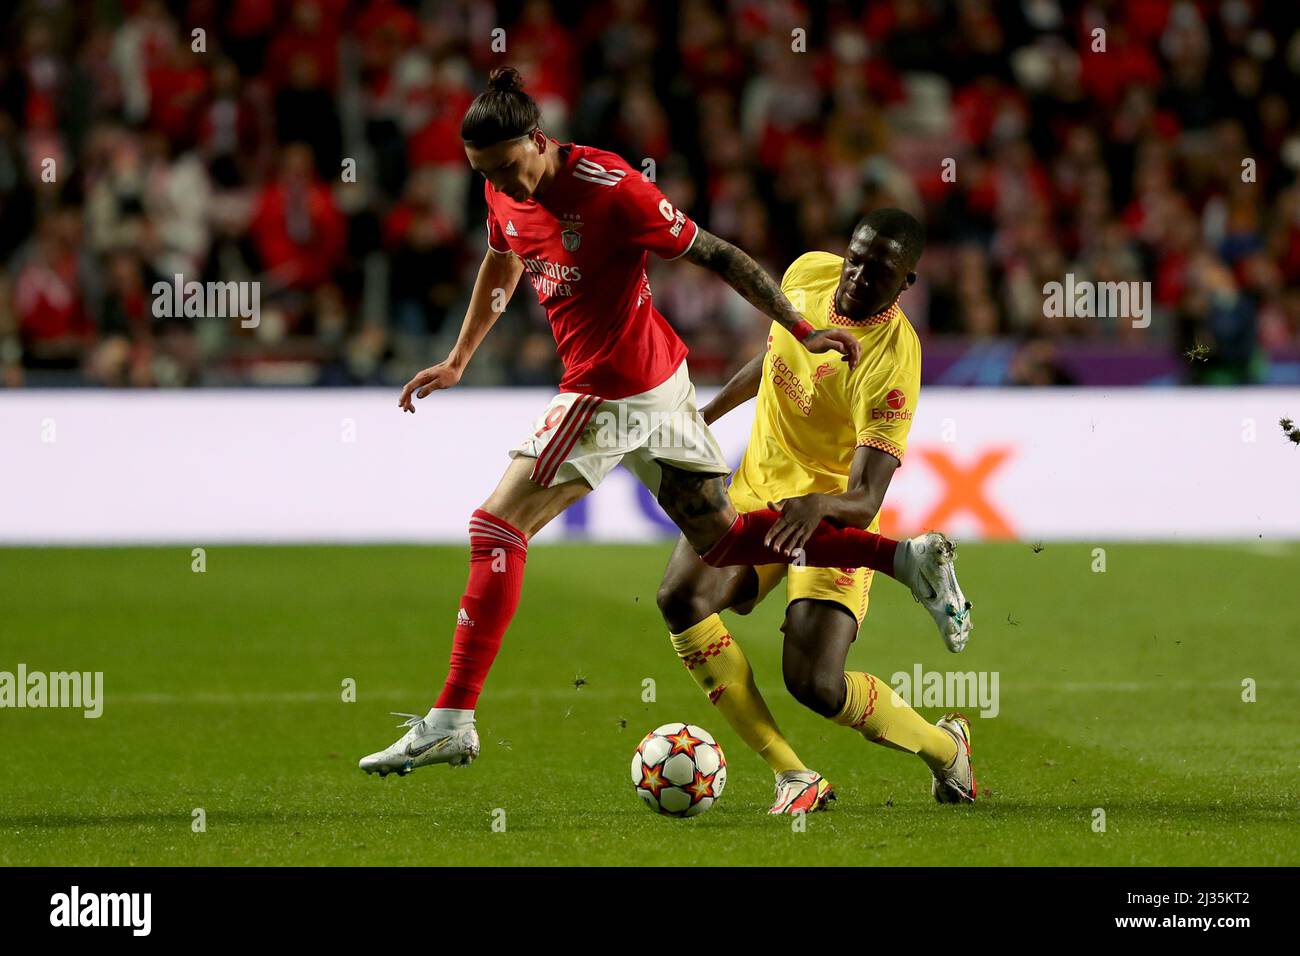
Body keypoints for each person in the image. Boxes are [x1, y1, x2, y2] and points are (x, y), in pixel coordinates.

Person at [359, 70, 969, 778]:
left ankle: (452, 718)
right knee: (711, 556)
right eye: (485, 174)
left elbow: (722, 257)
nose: (503, 184)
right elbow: (503, 259)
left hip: (614, 387)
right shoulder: (503, 192)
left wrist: (801, 328)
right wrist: (460, 357)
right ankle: (899, 565)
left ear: (539, 139)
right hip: (666, 386)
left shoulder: (612, 188)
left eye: (508, 167)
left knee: (496, 528)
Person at [657, 210, 977, 813]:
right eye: (855, 256)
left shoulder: (891, 362)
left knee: (815, 685)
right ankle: (793, 775)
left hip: (826, 516)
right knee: (681, 599)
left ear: (907, 282)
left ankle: (944, 749)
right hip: (755, 487)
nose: (856, 275)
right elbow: (775, 359)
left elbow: (866, 498)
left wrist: (820, 502)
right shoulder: (807, 272)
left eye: (879, 270)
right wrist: (706, 416)